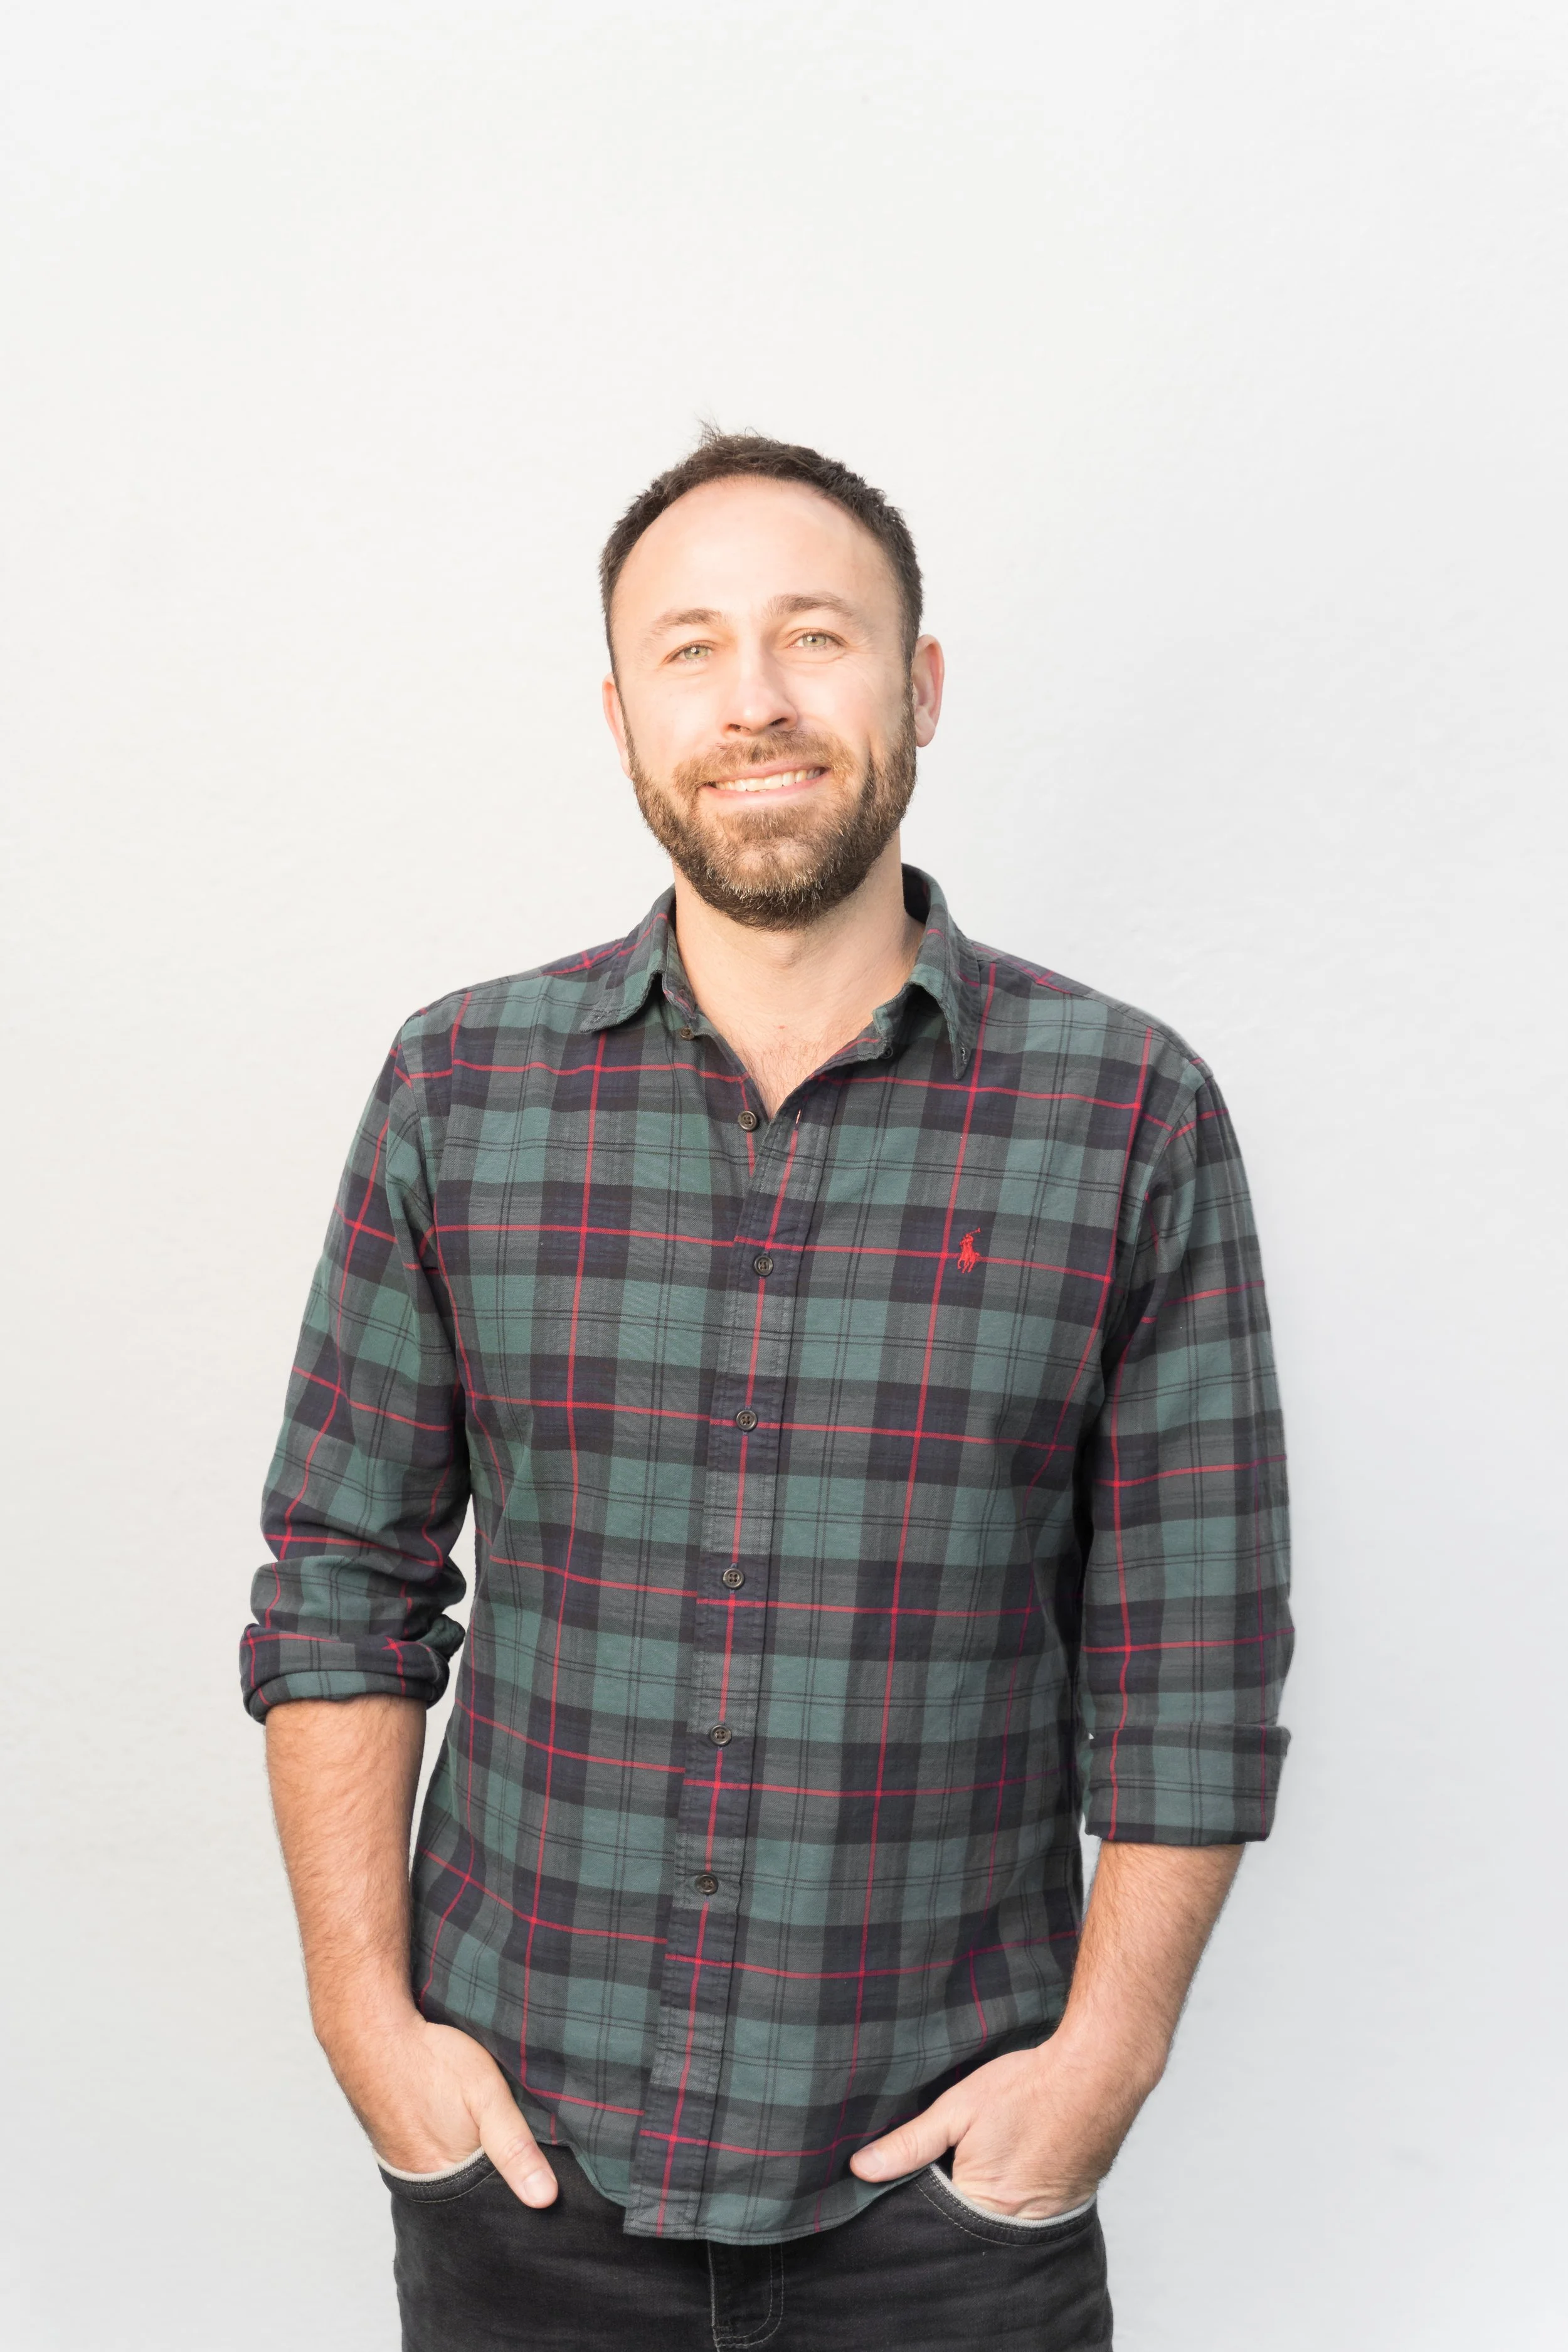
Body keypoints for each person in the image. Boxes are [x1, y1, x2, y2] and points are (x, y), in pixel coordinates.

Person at [243, 430, 1292, 2351]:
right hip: (525, 2163)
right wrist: (363, 2024)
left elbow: (1193, 1666)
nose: (755, 701)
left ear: (921, 685)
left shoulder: (1125, 1110)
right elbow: (337, 1576)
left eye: (816, 637)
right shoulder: (457, 1091)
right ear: (620, 707)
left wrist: (1099, 2072)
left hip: (948, 2191)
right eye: (691, 647)